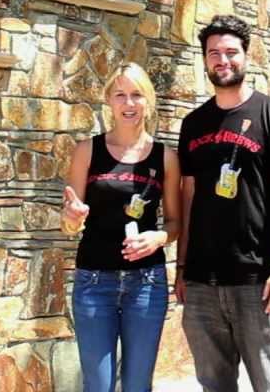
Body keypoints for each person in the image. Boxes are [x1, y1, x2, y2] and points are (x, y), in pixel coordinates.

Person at [176, 15, 270, 392]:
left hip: (257, 279)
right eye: (214, 53)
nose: (223, 60)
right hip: (202, 281)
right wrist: (182, 267)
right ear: (204, 60)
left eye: (231, 52)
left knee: (268, 382)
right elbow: (189, 195)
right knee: (213, 384)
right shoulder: (194, 123)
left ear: (246, 56)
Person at [62, 62, 181, 392]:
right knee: (98, 385)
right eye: (120, 95)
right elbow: (70, 221)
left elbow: (175, 223)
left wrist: (157, 237)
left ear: (148, 101)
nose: (129, 104)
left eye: (137, 95)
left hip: (146, 284)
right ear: (109, 101)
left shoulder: (165, 157)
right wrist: (72, 218)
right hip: (93, 281)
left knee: (137, 385)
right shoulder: (87, 151)